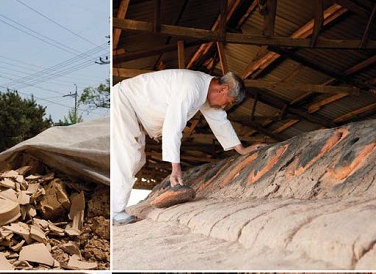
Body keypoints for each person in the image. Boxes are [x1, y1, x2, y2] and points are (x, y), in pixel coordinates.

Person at [111, 69, 267, 224]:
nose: (225, 106)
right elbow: (173, 127)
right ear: (223, 89)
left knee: (136, 160)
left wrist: (241, 149)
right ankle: (115, 212)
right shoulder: (191, 87)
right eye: (228, 101)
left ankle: (115, 207)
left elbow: (220, 121)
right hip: (125, 102)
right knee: (128, 157)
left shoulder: (205, 90)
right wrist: (175, 168)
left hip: (133, 109)